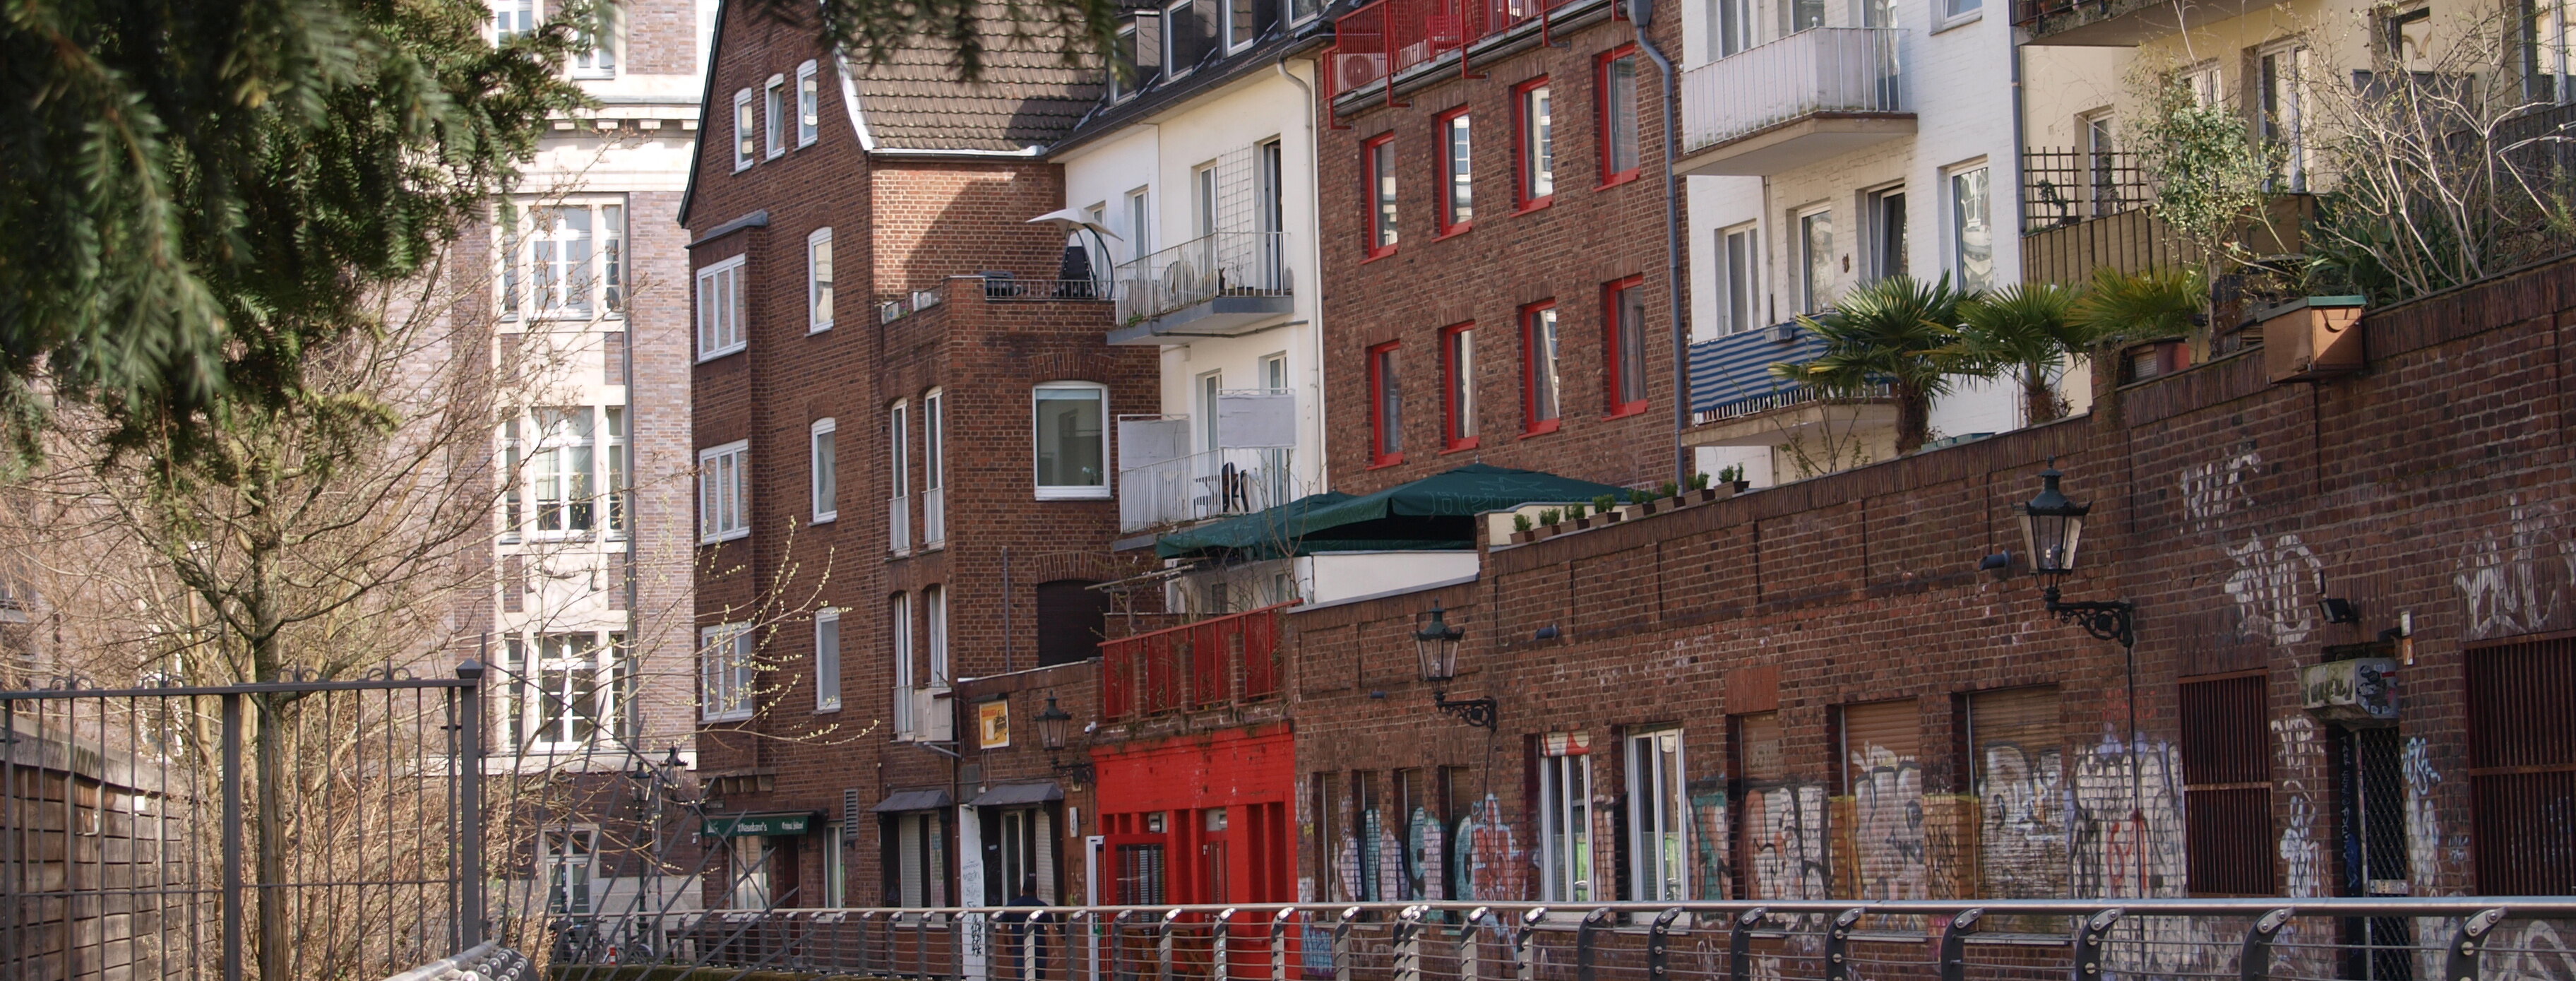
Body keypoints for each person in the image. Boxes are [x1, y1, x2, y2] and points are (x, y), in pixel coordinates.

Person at [1008, 874, 1050, 980]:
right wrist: (1054, 949)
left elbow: (1003, 928)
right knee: (1039, 977)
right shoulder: (1042, 906)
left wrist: (1008, 944)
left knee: (1023, 977)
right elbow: (1052, 929)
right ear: (1036, 891)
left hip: (1020, 948)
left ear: (1022, 890)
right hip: (1039, 949)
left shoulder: (1012, 906)